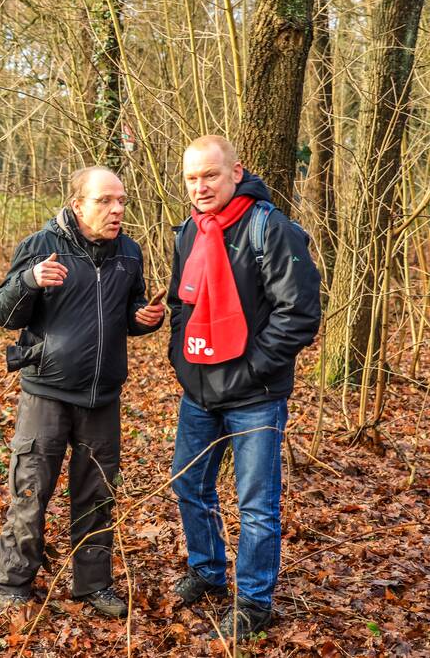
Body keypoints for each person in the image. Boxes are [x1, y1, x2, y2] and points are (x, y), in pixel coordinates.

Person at [0, 166, 164, 617]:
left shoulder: (129, 253)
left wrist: (146, 319)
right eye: (105, 201)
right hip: (46, 392)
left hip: (102, 396)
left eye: (121, 200)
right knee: (31, 492)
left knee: (97, 496)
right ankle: (13, 584)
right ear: (77, 205)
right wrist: (29, 281)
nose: (117, 209)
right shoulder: (40, 247)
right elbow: (5, 315)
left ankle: (92, 586)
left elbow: (127, 313)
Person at [166, 136, 321, 637]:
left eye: (210, 174)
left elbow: (298, 314)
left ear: (237, 172)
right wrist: (181, 363)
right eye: (192, 178)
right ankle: (207, 572)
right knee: (190, 484)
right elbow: (179, 306)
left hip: (255, 395)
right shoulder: (189, 232)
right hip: (200, 390)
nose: (201, 186)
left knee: (256, 505)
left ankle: (253, 603)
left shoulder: (270, 228)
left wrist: (251, 370)